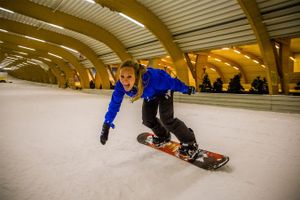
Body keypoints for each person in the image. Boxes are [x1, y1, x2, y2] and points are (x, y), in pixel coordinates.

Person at [100, 59, 198, 160]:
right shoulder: (120, 85)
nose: (125, 80)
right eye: (122, 76)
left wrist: (187, 89)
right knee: (147, 120)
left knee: (167, 120)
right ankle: (163, 136)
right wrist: (107, 123)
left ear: (136, 76)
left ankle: (190, 142)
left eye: (129, 76)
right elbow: (114, 103)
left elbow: (173, 83)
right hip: (150, 95)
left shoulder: (154, 79)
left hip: (163, 91)